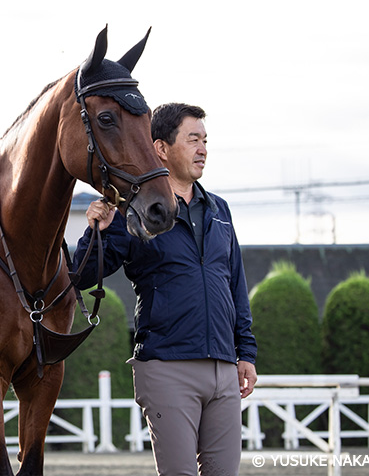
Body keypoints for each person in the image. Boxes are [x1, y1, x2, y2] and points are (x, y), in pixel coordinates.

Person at [72, 102, 257, 476]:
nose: (203, 149)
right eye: (193, 139)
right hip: (167, 367)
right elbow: (84, 275)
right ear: (161, 148)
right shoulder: (134, 211)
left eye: (205, 140)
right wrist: (96, 233)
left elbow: (235, 283)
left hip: (224, 369)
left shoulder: (219, 210)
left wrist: (246, 352)